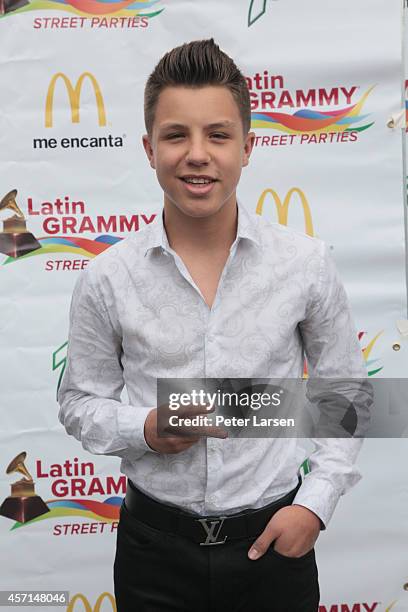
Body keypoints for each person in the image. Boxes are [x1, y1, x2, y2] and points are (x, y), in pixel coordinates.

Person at [58, 38, 368, 612]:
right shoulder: (107, 277)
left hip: (274, 545)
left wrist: (315, 505)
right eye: (176, 135)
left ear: (247, 148)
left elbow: (343, 391)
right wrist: (146, 427)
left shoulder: (305, 264)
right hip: (153, 552)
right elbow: (80, 403)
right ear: (149, 149)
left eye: (218, 135)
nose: (197, 154)